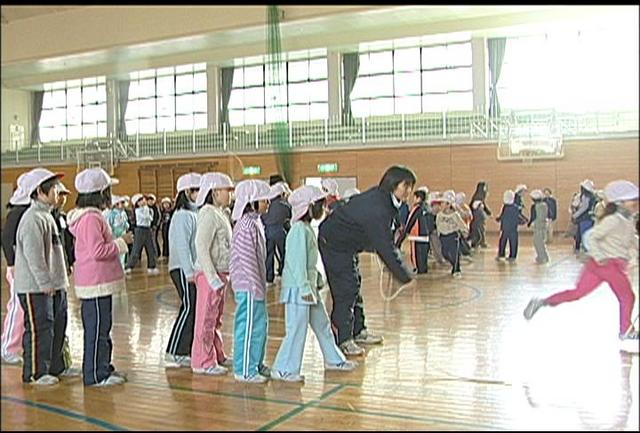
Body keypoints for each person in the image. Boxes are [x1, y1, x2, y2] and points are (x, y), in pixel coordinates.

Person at [524, 180, 639, 342]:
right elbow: (591, 237)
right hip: (609, 264)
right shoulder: (613, 220)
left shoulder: (627, 220)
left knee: (577, 293)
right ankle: (625, 330)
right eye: (632, 199)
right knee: (627, 297)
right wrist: (601, 257)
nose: (635, 203)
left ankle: (542, 302)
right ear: (620, 202)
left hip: (598, 265)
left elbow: (632, 239)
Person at [318, 165, 416, 356]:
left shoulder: (387, 202)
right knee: (346, 289)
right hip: (334, 243)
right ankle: (343, 338)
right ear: (393, 184)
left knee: (355, 284)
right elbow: (384, 245)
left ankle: (358, 330)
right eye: (406, 186)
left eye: (411, 186)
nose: (409, 191)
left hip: (349, 245)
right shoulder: (377, 206)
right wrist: (404, 275)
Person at [271, 186, 358, 382]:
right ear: (308, 207)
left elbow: (308, 262)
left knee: (322, 325)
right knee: (296, 329)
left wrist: (316, 280)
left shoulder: (307, 229)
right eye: (319, 204)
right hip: (298, 290)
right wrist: (304, 287)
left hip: (308, 288)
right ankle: (284, 369)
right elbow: (295, 263)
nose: (323, 208)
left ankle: (333, 359)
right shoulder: (298, 231)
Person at [67, 168, 133, 386]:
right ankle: (95, 375)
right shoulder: (90, 219)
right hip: (95, 283)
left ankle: (103, 367)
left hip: (99, 283)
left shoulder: (92, 217)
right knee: (96, 330)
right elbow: (97, 251)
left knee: (102, 328)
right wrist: (121, 242)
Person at [13, 168, 71, 385]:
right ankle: (35, 373)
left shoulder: (47, 216)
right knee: (40, 328)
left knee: (58, 326)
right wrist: (45, 282)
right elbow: (34, 256)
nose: (58, 192)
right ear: (39, 191)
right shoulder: (32, 219)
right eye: (54, 188)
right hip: (36, 287)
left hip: (55, 285)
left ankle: (55, 367)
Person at [191, 172, 235, 376]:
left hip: (221, 274)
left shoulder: (220, 213)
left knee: (215, 318)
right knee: (206, 319)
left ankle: (217, 354)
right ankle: (202, 361)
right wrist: (211, 277)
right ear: (215, 192)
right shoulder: (208, 213)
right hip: (211, 275)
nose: (230, 195)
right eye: (227, 191)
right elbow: (201, 246)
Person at [229, 179, 272, 383]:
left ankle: (255, 362)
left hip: (256, 286)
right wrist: (256, 286)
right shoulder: (246, 225)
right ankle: (244, 369)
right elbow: (247, 260)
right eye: (264, 199)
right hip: (248, 286)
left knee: (259, 326)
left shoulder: (256, 222)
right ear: (251, 201)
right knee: (247, 327)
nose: (267, 203)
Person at [165, 172, 201, 368]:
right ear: (187, 192)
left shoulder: (195, 214)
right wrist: (188, 272)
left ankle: (185, 349)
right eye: (197, 190)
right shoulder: (181, 216)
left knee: (193, 308)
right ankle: (174, 351)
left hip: (191, 269)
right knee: (189, 306)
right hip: (181, 268)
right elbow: (182, 245)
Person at [1, 173, 30, 365]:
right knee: (17, 307)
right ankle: (8, 348)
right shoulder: (17, 213)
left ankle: (18, 345)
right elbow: (6, 239)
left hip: (28, 267)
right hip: (18, 267)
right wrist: (12, 265)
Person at [262, 181, 292, 285]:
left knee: (269, 254)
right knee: (284, 253)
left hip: (268, 231)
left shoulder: (267, 205)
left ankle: (269, 277)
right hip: (281, 230)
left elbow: (262, 217)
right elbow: (290, 216)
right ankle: (282, 272)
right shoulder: (285, 205)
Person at [395, 189, 431, 274]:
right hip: (425, 235)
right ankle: (423, 269)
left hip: (417, 235)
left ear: (418, 198)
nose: (413, 199)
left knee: (416, 255)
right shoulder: (427, 208)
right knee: (423, 254)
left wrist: (403, 236)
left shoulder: (416, 209)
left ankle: (419, 269)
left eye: (414, 197)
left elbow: (410, 221)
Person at [436, 190, 469, 279]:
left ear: (448, 204)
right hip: (443, 237)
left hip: (453, 236)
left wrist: (464, 232)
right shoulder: (439, 215)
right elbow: (438, 224)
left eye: (443, 203)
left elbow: (462, 225)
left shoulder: (455, 215)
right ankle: (453, 264)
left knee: (455, 253)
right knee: (444, 253)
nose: (441, 205)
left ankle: (456, 269)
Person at [125, 193, 159, 275]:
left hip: (148, 229)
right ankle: (128, 266)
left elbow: (151, 218)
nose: (143, 201)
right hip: (140, 229)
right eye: (139, 201)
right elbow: (146, 217)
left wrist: (148, 211)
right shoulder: (138, 210)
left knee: (151, 248)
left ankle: (152, 266)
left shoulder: (148, 208)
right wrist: (147, 212)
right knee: (136, 250)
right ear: (136, 204)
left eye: (142, 199)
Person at [495, 190, 528, 262]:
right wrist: (524, 221)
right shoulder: (515, 207)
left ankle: (501, 254)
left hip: (505, 227)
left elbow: (502, 216)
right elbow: (518, 217)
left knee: (503, 241)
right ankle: (512, 256)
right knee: (513, 241)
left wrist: (498, 219)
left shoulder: (505, 207)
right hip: (513, 228)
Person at [104, 195, 130, 269]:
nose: (121, 205)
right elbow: (109, 224)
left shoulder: (124, 213)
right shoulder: (112, 214)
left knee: (123, 250)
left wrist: (126, 225)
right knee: (116, 250)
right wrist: (111, 234)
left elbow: (126, 222)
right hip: (115, 233)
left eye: (122, 203)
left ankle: (122, 266)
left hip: (123, 232)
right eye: (118, 203)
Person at [572, 179, 597, 253]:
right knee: (584, 235)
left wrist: (575, 215)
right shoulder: (592, 196)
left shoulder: (586, 196)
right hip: (589, 218)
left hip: (584, 218)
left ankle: (586, 251)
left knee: (584, 235)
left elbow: (583, 208)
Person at [528, 189, 549, 264]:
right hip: (543, 225)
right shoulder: (545, 205)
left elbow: (533, 216)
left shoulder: (534, 206)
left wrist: (529, 223)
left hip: (537, 225)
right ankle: (543, 256)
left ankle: (542, 257)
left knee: (537, 242)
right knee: (541, 242)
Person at [469, 181, 492, 248]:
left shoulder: (478, 197)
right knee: (479, 230)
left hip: (478, 217)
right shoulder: (478, 197)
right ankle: (480, 242)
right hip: (477, 218)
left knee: (480, 229)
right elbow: (476, 206)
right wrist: (488, 212)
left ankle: (480, 242)